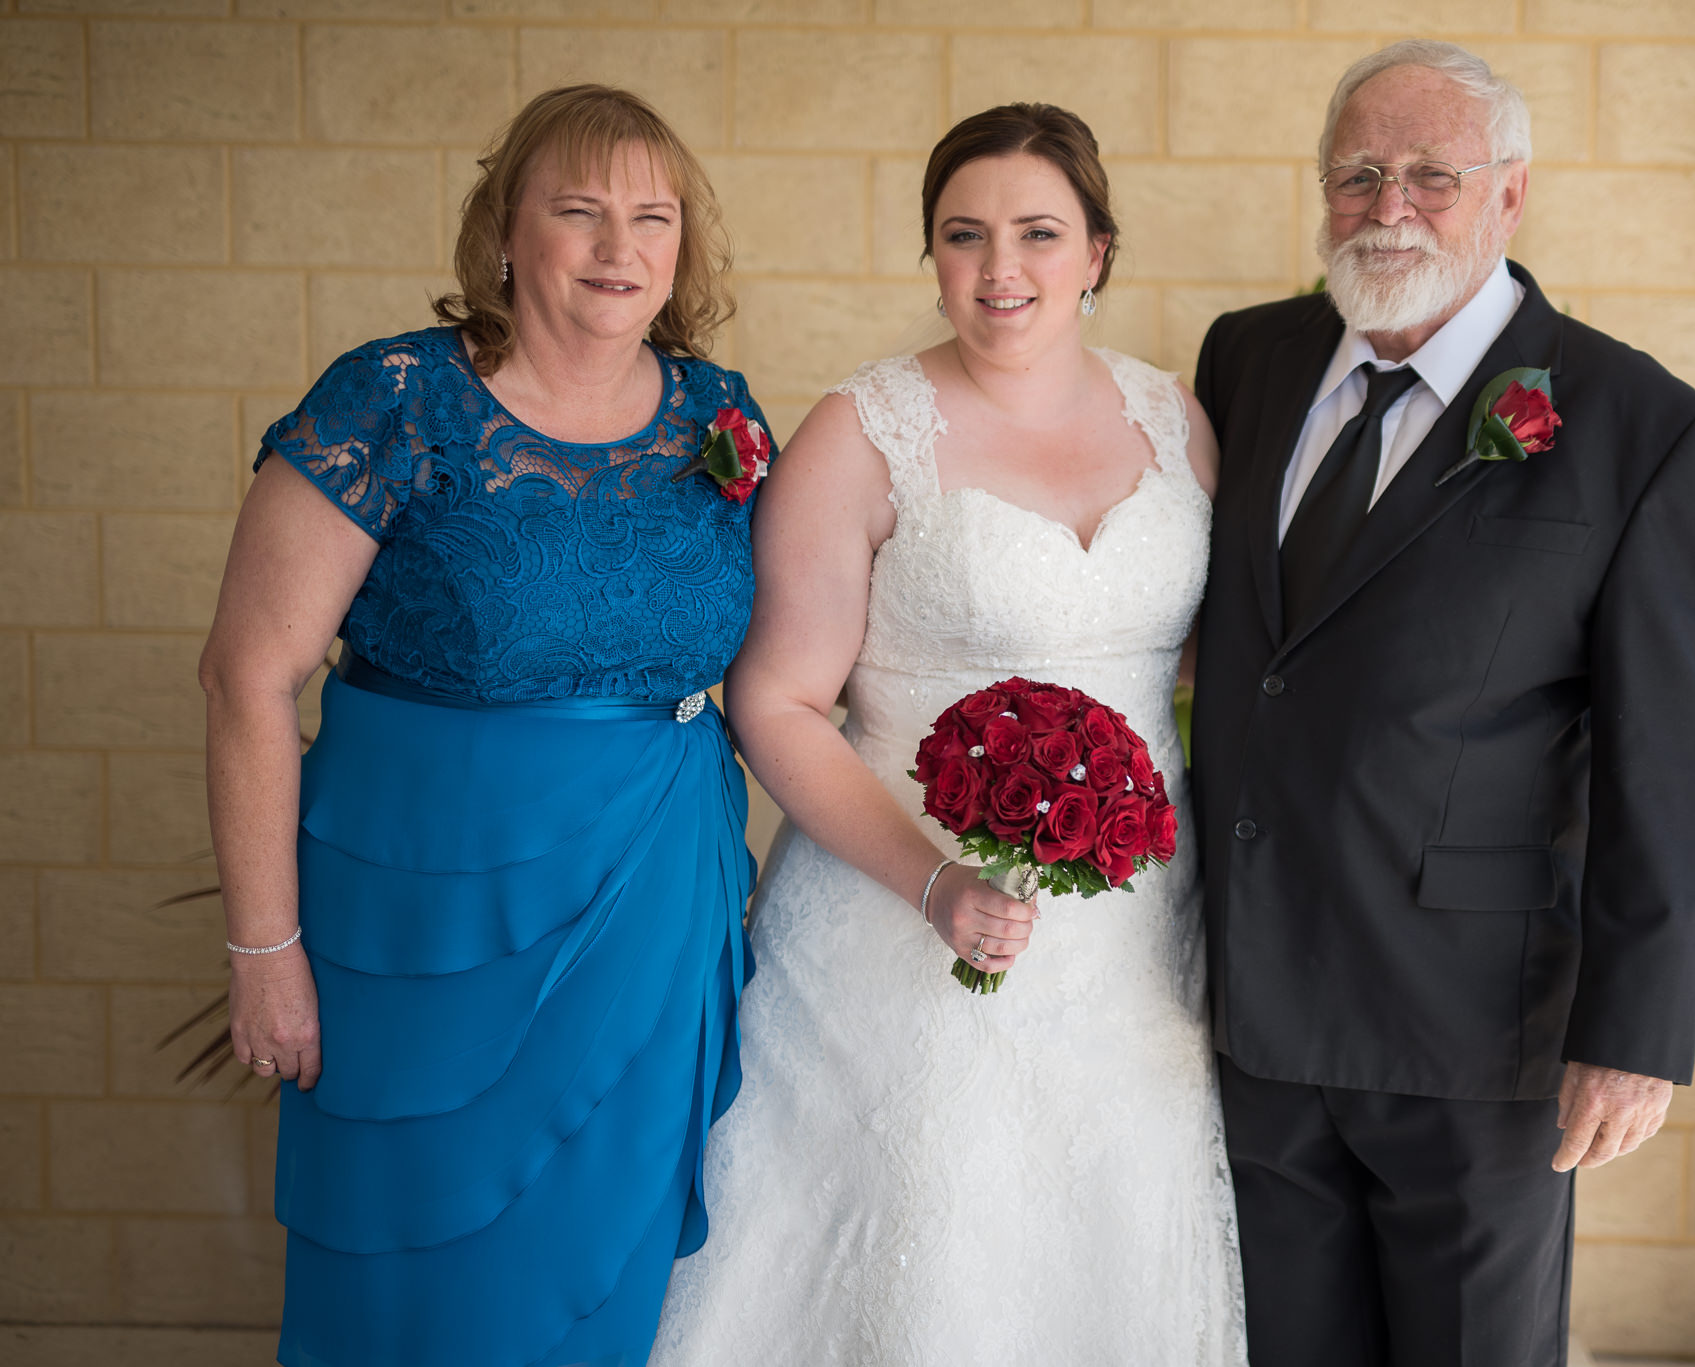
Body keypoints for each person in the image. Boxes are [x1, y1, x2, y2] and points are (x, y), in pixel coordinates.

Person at [653, 104, 1247, 1366]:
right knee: (931, 1232)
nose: (999, 269)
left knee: (1109, 1241)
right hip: (895, 919)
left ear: (1096, 250)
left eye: (1037, 232)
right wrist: (933, 881)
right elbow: (773, 700)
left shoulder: (1176, 420)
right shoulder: (860, 434)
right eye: (962, 235)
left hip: (1133, 935)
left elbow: (1204, 658)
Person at [198, 84, 770, 1367]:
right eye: (578, 212)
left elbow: (786, 658)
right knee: (415, 1268)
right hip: (421, 923)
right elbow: (245, 675)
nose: (619, 248)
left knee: (602, 1277)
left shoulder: (718, 414)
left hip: (650, 911)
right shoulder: (392, 397)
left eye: (650, 216)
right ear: (505, 232)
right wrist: (263, 947)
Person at [1191, 40, 1695, 1367]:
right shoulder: (1246, 361)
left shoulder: (1638, 422)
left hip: (1477, 1029)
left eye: (1433, 174)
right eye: (1360, 172)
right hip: (1250, 1000)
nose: (1390, 207)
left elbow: (1669, 756)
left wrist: (1636, 1035)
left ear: (1511, 194)